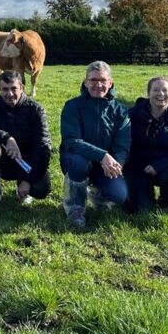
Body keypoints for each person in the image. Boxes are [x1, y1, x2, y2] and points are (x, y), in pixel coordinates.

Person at [59, 60, 130, 229]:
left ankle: (100, 198)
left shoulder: (120, 110)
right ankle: (75, 206)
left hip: (106, 164)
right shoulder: (72, 106)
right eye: (93, 80)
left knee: (119, 195)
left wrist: (115, 164)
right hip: (78, 160)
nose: (98, 84)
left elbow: (123, 145)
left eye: (103, 80)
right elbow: (72, 141)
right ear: (86, 82)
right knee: (78, 163)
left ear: (110, 83)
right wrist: (102, 155)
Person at [0, 69, 50, 213]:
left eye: (14, 88)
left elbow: (43, 146)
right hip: (2, 160)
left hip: (26, 161)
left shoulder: (36, 110)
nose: (10, 94)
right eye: (5, 89)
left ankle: (24, 188)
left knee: (41, 189)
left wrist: (28, 179)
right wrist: (7, 138)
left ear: (22, 88)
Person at [124, 76, 168, 212]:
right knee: (141, 209)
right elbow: (122, 143)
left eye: (165, 90)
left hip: (165, 167)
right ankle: (141, 195)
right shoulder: (132, 115)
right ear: (148, 93)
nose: (161, 94)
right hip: (137, 168)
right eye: (156, 90)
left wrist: (159, 165)